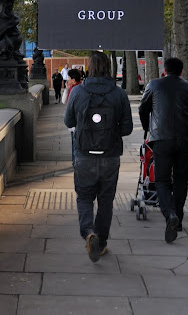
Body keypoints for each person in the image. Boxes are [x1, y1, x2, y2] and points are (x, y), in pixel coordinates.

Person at [64, 52, 132, 262]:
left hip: (84, 154)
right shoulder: (119, 94)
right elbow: (128, 128)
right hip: (110, 155)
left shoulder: (78, 92)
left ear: (89, 67)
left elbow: (68, 122)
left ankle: (88, 233)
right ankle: (100, 244)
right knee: (106, 201)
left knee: (84, 196)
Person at [139, 57, 188, 243]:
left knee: (162, 180)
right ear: (181, 71)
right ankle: (178, 219)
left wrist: (146, 128)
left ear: (164, 70)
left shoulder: (154, 85)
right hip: (185, 139)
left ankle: (169, 214)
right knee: (181, 179)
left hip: (161, 138)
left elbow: (143, 108)